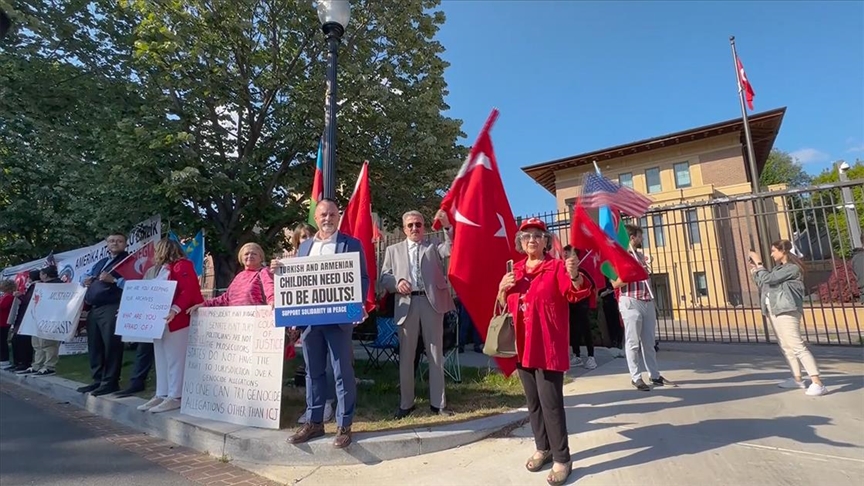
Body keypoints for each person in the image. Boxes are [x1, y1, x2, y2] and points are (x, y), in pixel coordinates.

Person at [498, 218, 590, 486]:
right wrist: (503, 290)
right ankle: (543, 448)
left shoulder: (557, 267)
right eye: (526, 236)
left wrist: (574, 275)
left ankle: (562, 458)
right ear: (520, 242)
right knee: (534, 402)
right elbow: (504, 305)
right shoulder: (515, 270)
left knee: (551, 403)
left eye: (538, 236)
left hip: (548, 345)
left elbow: (576, 293)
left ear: (546, 241)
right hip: (522, 345)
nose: (532, 240)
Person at [287, 198, 369, 449]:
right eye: (323, 214)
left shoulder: (351, 244)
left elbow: (362, 278)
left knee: (342, 371)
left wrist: (358, 305)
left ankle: (344, 425)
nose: (327, 219)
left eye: (332, 214)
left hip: (338, 319)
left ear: (338, 216)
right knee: (313, 372)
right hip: (310, 322)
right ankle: (314, 422)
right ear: (316, 218)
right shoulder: (305, 247)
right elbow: (296, 279)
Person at [380, 209, 455, 419]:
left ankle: (438, 403)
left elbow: (450, 249)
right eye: (410, 225)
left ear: (424, 227)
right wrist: (397, 283)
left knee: (435, 355)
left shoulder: (433, 247)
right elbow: (384, 277)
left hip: (431, 304)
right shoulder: (392, 250)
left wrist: (448, 226)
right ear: (404, 229)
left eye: (418, 225)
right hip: (406, 304)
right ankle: (406, 403)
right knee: (406, 356)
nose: (415, 228)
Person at [272, 222, 338, 424]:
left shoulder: (329, 256)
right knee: (312, 365)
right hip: (307, 320)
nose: (306, 240)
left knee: (329, 364)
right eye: (302, 237)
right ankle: (313, 406)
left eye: (310, 236)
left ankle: (327, 403)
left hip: (329, 315)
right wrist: (275, 270)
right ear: (297, 242)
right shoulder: (289, 264)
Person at [750, 240, 827, 396]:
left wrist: (759, 263)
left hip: (786, 309)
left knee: (796, 345)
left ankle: (817, 382)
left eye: (773, 251)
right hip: (774, 309)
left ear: (783, 251)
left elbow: (769, 279)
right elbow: (764, 283)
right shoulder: (777, 269)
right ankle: (797, 379)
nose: (772, 254)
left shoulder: (792, 268)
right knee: (786, 346)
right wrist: (755, 272)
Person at [138, 239, 205, 413]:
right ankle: (162, 393)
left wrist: (175, 309)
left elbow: (188, 290)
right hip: (160, 320)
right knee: (161, 358)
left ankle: (175, 395)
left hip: (178, 319)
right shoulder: (162, 270)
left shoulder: (182, 265)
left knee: (175, 359)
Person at [612, 224, 671, 392]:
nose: (642, 239)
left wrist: (644, 268)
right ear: (632, 238)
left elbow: (646, 279)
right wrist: (632, 273)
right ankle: (636, 377)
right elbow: (615, 283)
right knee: (633, 342)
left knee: (649, 342)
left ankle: (654, 374)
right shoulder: (620, 258)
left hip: (647, 301)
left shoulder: (641, 257)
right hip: (631, 301)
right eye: (639, 236)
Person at [79, 231, 130, 396]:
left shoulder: (129, 261)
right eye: (111, 241)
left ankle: (111, 382)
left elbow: (137, 283)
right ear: (107, 244)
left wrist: (115, 280)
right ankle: (98, 380)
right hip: (94, 308)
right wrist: (85, 280)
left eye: (119, 241)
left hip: (113, 306)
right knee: (95, 345)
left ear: (125, 244)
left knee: (111, 345)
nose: (115, 243)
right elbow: (87, 275)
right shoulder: (101, 262)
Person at [115, 264, 163, 398]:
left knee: (166, 355)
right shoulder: (151, 271)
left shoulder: (176, 268)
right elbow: (143, 291)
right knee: (144, 349)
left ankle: (165, 388)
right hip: (150, 316)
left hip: (168, 315)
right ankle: (136, 382)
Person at [186, 242, 274, 312]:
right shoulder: (239, 276)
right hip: (237, 323)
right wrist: (203, 305)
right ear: (241, 258)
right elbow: (225, 298)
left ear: (261, 257)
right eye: (246, 254)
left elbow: (270, 289)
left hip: (257, 322)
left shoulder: (264, 272)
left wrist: (272, 301)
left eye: (254, 254)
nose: (250, 256)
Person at [563, 245, 597, 370]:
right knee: (573, 332)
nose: (566, 257)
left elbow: (591, 286)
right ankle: (576, 355)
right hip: (569, 307)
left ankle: (591, 357)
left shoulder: (582, 272)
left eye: (569, 255)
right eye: (565, 255)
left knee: (585, 330)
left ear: (577, 258)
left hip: (582, 306)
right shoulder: (562, 271)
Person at [28, 266, 63, 376]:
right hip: (39, 317)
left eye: (41, 274)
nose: (40, 276)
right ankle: (37, 365)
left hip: (51, 318)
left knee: (49, 343)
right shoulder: (41, 285)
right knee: (37, 343)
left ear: (46, 275)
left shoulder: (58, 285)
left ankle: (49, 366)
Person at [8, 270, 39, 373]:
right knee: (15, 340)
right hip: (22, 317)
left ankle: (25, 362)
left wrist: (20, 296)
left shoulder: (36, 286)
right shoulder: (31, 287)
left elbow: (29, 300)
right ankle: (17, 362)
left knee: (23, 341)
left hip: (27, 317)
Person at [0, 279, 16, 368]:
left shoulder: (9, 296)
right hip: (2, 321)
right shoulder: (5, 295)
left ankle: (4, 359)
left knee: (2, 341)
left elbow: (2, 306)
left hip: (3, 322)